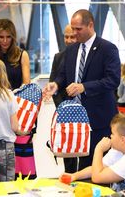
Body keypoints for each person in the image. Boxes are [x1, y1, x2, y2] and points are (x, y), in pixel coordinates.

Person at [43, 9, 121, 171]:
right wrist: (56, 85)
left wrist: (84, 87)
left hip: (99, 121)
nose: (74, 33)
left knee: (97, 168)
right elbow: (64, 75)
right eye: (73, 28)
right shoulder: (71, 50)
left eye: (78, 29)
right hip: (75, 122)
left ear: (90, 25)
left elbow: (113, 80)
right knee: (75, 169)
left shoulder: (108, 48)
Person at [0, 18, 34, 181]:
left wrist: (12, 101)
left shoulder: (21, 55)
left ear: (13, 37)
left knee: (17, 154)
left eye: (8, 37)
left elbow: (27, 84)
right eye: (1, 37)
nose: (4, 41)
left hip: (15, 109)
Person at [61, 113, 125, 191]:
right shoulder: (117, 150)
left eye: (112, 133)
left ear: (122, 139)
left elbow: (97, 177)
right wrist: (75, 175)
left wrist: (98, 150)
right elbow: (98, 168)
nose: (110, 136)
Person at [49, 24, 77, 173]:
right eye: (66, 37)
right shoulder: (58, 57)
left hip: (85, 110)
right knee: (69, 151)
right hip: (65, 111)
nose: (69, 40)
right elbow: (53, 84)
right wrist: (63, 108)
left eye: (72, 36)